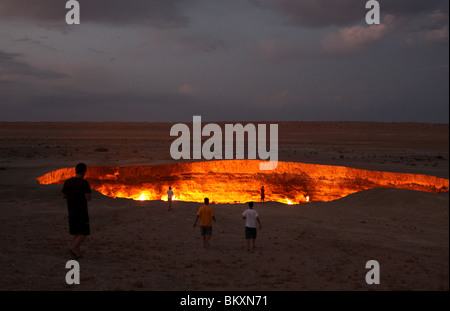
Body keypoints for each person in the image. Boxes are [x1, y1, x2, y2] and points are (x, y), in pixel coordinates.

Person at [62, 163, 92, 259]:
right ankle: (73, 248)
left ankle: (77, 253)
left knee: (76, 232)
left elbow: (63, 196)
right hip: (81, 211)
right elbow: (88, 198)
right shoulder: (84, 183)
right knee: (84, 232)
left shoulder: (68, 182)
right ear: (84, 171)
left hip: (71, 210)